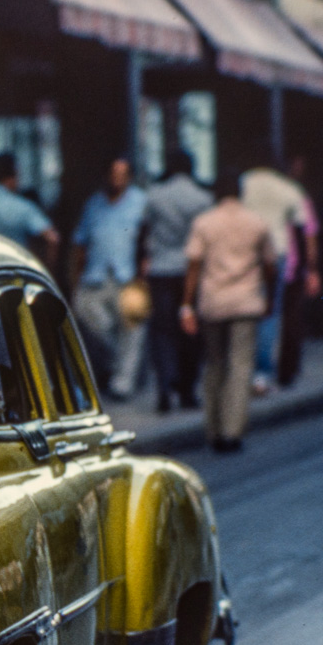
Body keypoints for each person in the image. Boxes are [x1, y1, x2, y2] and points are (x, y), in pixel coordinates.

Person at [181, 171, 274, 454]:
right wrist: (267, 293)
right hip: (246, 301)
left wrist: (187, 304)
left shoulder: (204, 223)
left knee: (215, 366)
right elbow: (271, 263)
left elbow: (193, 266)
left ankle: (214, 429)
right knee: (240, 366)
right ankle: (232, 431)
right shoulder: (256, 223)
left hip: (213, 302)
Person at [69, 158, 150, 401]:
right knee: (93, 322)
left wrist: (144, 272)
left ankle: (122, 382)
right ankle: (117, 366)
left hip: (129, 276)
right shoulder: (94, 204)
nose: (117, 179)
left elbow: (148, 237)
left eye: (123, 174)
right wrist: (76, 276)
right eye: (113, 173)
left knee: (133, 329)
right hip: (96, 275)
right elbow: (80, 242)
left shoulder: (141, 202)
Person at [141, 150, 211, 413]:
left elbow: (144, 230)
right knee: (190, 331)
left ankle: (163, 387)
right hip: (190, 271)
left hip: (160, 270)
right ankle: (187, 390)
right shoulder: (202, 198)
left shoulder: (154, 196)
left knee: (162, 331)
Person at [240, 158, 318, 392]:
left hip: (245, 254)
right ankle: (262, 373)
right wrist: (310, 268)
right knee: (271, 313)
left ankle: (244, 371)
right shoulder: (289, 189)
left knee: (245, 314)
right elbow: (306, 230)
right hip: (280, 255)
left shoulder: (244, 183)